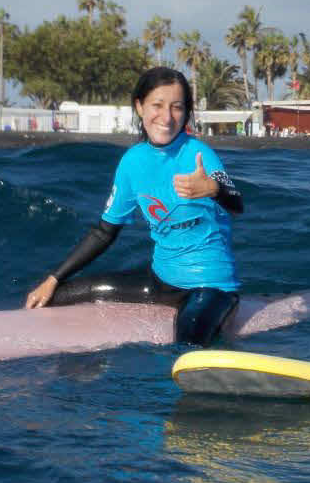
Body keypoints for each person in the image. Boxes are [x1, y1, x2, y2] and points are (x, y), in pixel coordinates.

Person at [25, 66, 244, 346]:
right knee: (59, 297)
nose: (166, 117)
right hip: (160, 281)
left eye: (177, 107)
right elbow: (105, 232)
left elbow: (237, 203)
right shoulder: (132, 161)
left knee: (186, 346)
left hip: (210, 286)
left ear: (186, 112)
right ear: (140, 107)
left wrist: (214, 189)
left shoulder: (200, 154)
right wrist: (54, 279)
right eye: (157, 105)